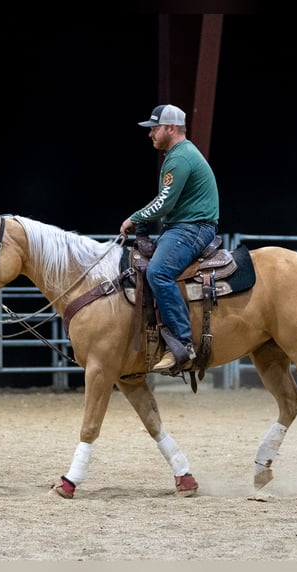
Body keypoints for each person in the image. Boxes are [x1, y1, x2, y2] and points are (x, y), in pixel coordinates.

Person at [120, 104, 220, 374]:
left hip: (191, 228)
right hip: (186, 226)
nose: (150, 134)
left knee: (159, 272)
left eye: (154, 128)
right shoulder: (180, 155)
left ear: (171, 128)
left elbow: (164, 204)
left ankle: (182, 344)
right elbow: (164, 200)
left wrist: (135, 218)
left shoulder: (179, 158)